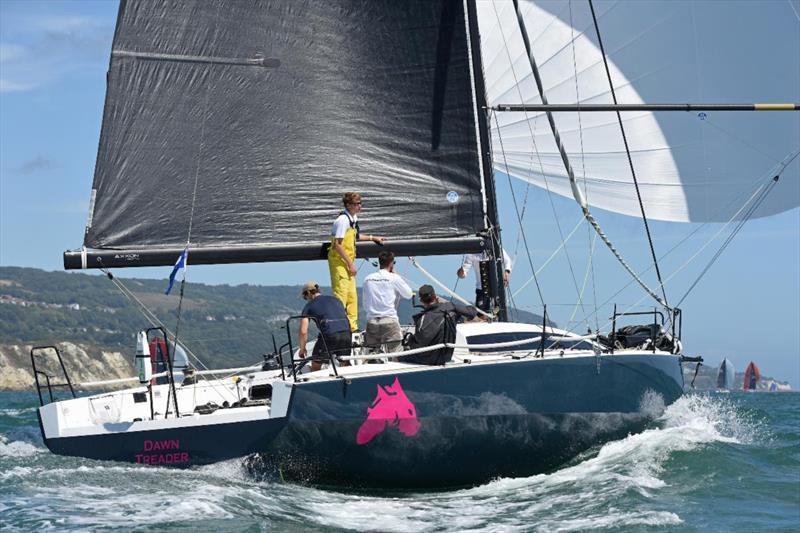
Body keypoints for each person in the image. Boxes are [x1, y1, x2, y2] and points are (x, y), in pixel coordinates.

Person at [327, 192, 385, 332]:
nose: (359, 206)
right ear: (348, 205)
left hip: (347, 261)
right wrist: (350, 264)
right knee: (341, 294)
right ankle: (339, 327)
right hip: (339, 261)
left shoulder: (353, 218)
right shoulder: (343, 220)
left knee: (352, 295)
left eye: (360, 203)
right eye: (356, 204)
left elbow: (356, 236)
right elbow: (338, 245)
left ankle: (352, 327)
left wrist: (373, 237)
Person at [400, 285, 477, 365]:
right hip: (446, 358)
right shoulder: (450, 307)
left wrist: (409, 339)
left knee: (399, 357)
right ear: (435, 296)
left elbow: (419, 345)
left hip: (427, 360)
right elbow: (472, 312)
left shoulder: (422, 319)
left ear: (421, 301)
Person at [362, 251, 413, 353]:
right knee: (396, 354)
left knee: (372, 354)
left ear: (379, 262)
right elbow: (408, 294)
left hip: (372, 321)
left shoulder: (367, 279)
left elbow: (365, 303)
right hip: (389, 320)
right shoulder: (394, 278)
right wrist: (395, 275)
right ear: (391, 263)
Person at [297, 281, 352, 372]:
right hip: (346, 333)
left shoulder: (309, 306)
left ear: (309, 293)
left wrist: (302, 349)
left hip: (329, 335)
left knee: (315, 364)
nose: (306, 299)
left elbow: (303, 331)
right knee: (345, 362)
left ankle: (317, 384)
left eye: (304, 297)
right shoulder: (336, 300)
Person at [456, 248, 512, 313]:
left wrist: (507, 272)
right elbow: (463, 273)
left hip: (497, 288)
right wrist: (460, 273)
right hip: (481, 290)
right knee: (481, 316)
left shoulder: (495, 247)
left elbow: (508, 261)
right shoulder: (472, 253)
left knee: (500, 313)